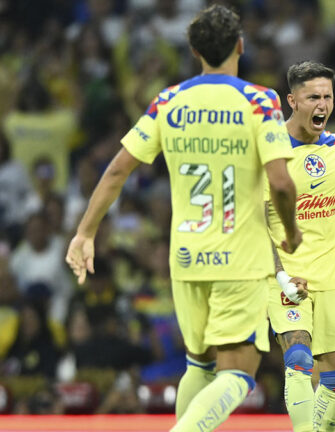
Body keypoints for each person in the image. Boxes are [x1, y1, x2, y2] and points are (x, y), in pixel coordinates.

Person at [64, 5, 301, 431]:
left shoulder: (168, 101)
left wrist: (86, 232)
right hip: (239, 260)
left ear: (194, 50)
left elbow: (117, 169)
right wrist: (291, 230)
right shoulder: (259, 101)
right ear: (240, 47)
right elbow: (282, 184)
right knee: (238, 373)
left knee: (200, 362)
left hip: (186, 258)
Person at [265, 61, 335, 432]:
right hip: (283, 271)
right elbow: (252, 221)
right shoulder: (269, 153)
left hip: (331, 272)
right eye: (313, 97)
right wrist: (279, 273)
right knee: (298, 357)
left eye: (328, 96)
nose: (323, 105)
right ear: (292, 100)